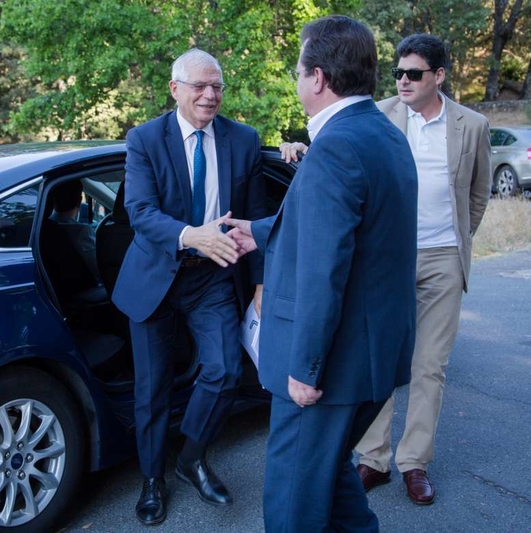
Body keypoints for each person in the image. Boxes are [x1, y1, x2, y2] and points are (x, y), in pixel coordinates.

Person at [280, 33, 493, 505]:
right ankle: (372, 458)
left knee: (429, 366)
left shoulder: (472, 125)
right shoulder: (377, 115)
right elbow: (342, 164)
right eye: (397, 72)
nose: (402, 81)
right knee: (378, 359)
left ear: (439, 76)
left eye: (413, 73)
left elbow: (478, 195)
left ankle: (414, 462)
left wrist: (459, 238)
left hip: (441, 257)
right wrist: (301, 152)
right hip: (388, 260)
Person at [225, 16, 418, 532]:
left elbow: (322, 268)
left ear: (317, 78)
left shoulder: (336, 146)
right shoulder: (382, 132)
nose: (295, 80)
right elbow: (347, 230)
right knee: (329, 478)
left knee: (292, 503)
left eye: (296, 70)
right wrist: (258, 230)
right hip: (372, 355)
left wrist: (305, 370)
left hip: (328, 367)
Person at [111, 48, 266, 526]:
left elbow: (258, 221)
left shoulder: (244, 140)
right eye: (199, 86)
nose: (210, 94)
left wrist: (258, 285)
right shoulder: (144, 139)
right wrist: (189, 235)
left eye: (216, 85)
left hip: (214, 276)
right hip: (156, 274)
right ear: (175, 89)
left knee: (224, 371)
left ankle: (191, 458)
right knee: (152, 390)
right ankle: (153, 479)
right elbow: (139, 212)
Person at [50, 179, 100, 281]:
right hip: (84, 291)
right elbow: (99, 269)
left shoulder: (45, 228)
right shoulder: (82, 232)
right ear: (79, 200)